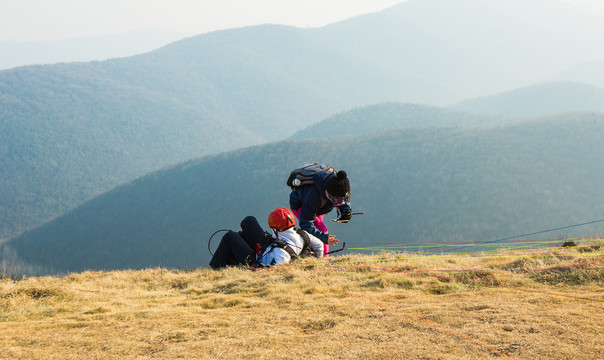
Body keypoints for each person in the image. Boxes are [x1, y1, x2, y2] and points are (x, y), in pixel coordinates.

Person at [209, 208, 324, 269]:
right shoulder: (302, 234)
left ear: (277, 228)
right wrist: (318, 260)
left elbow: (278, 269)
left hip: (255, 260)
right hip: (266, 246)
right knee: (249, 221)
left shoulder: (281, 253)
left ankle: (216, 268)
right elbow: (319, 245)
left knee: (230, 236)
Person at [289, 169, 352, 247]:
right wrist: (324, 238)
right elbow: (305, 223)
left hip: (320, 207)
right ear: (328, 192)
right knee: (322, 231)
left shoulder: (336, 185)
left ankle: (314, 250)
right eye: (336, 199)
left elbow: (342, 200)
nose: (338, 203)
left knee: (317, 233)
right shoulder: (313, 196)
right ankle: (323, 257)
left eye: (342, 200)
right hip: (301, 206)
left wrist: (346, 211)